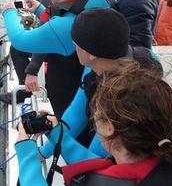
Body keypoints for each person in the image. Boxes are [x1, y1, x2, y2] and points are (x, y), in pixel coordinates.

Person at [15, 61, 172, 185]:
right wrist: (57, 132)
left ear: (110, 127)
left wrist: (26, 152)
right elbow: (107, 167)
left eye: (97, 112)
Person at [38, 8, 163, 159]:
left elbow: (97, 159)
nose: (73, 46)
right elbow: (75, 115)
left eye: (75, 43)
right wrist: (45, 151)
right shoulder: (147, 57)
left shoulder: (120, 99)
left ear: (91, 54)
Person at [0, 0, 110, 118]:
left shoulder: (64, 27)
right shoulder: (96, 0)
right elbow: (64, 17)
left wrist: (8, 11)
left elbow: (19, 40)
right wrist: (39, 9)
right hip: (92, 87)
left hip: (70, 98)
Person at [0, 0, 50, 103]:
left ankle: (24, 91)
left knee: (17, 47)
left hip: (57, 49)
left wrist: (32, 71)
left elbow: (44, 37)